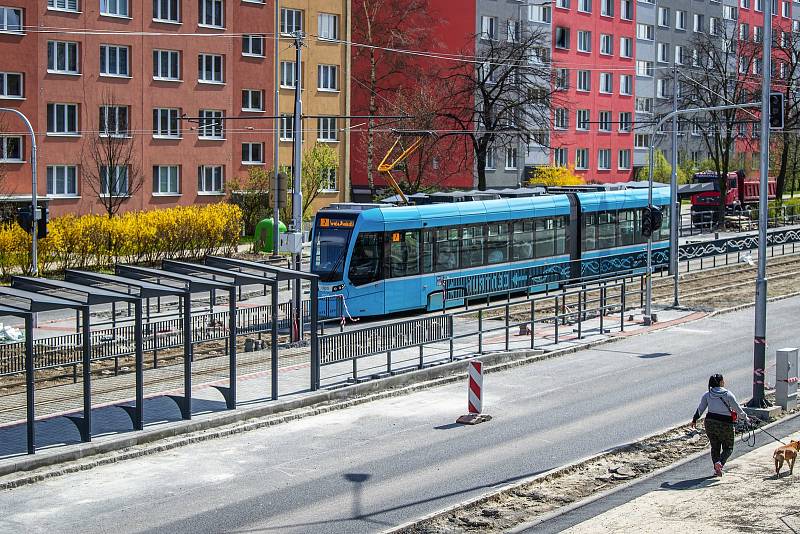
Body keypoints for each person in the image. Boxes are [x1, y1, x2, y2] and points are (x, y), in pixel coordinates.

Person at [691, 374, 749, 477]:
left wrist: (694, 420)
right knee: (728, 447)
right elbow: (737, 409)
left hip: (710, 423)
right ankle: (720, 463)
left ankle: (716, 467)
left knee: (715, 447)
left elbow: (700, 409)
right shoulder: (728, 394)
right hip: (725, 424)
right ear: (721, 382)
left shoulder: (707, 395)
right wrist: (746, 419)